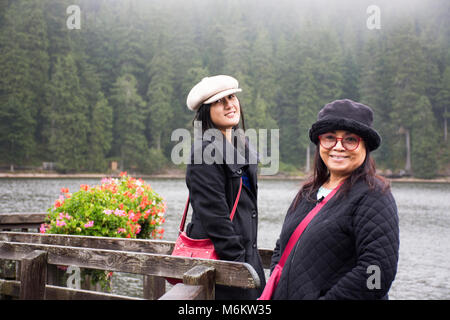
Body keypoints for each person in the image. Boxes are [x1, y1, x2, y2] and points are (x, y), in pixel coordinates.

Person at [269, 99, 399, 300]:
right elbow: (282, 247)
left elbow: (378, 272)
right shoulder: (308, 193)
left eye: (350, 140)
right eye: (330, 138)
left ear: (365, 146)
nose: (338, 147)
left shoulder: (374, 195)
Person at [184, 75, 265, 300]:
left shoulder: (241, 146)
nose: (230, 104)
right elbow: (215, 219)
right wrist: (240, 268)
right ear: (206, 111)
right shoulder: (204, 152)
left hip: (248, 262)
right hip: (225, 269)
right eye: (220, 101)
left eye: (232, 97)